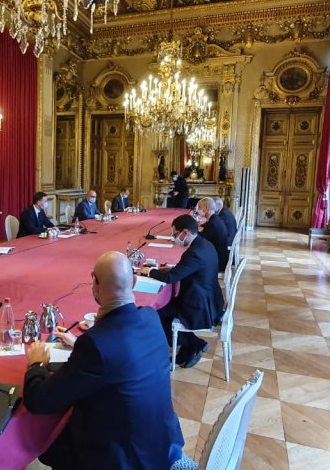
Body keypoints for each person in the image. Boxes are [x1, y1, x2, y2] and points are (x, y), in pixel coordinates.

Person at [25, 251, 184, 469]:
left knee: (53, 445)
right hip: (161, 445)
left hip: (125, 461)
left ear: (95, 283)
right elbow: (122, 352)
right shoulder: (150, 316)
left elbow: (39, 401)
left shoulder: (95, 345)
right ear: (134, 281)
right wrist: (79, 343)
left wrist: (36, 364)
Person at [140, 215, 224, 368]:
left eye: (175, 234)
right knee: (165, 309)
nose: (174, 238)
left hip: (199, 305)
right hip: (209, 297)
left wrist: (149, 271)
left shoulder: (194, 252)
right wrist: (173, 268)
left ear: (185, 232)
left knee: (157, 314)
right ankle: (188, 347)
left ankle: (194, 344)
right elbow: (189, 268)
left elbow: (170, 278)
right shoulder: (204, 244)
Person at [196, 198, 230, 272]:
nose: (198, 210)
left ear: (206, 208)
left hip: (217, 262)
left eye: (199, 207)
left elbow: (199, 240)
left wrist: (191, 229)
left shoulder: (213, 223)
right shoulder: (215, 218)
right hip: (219, 256)